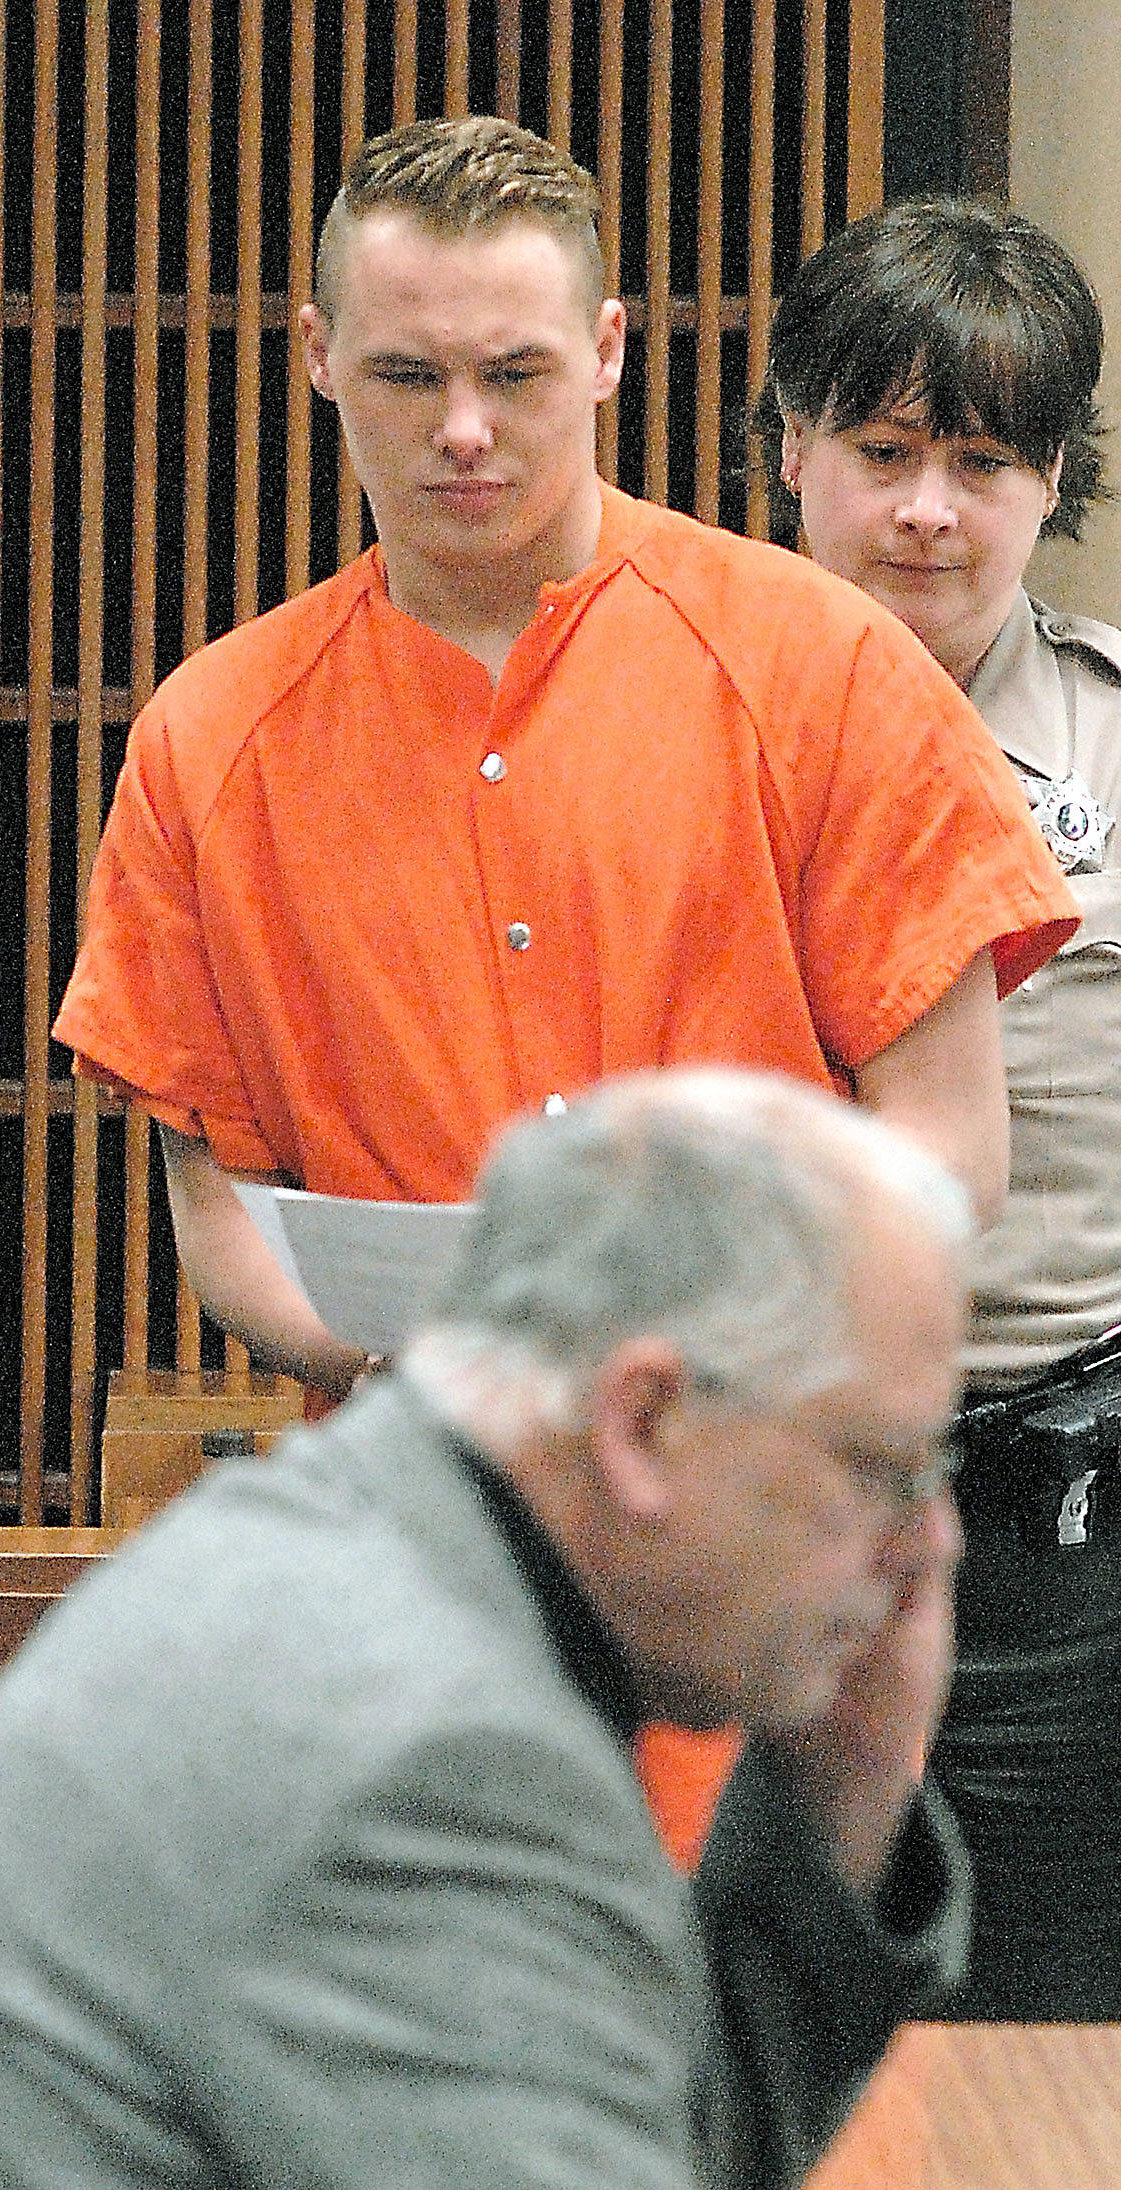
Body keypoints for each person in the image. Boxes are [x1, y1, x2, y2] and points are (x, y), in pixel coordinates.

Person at [52, 119, 1076, 1861]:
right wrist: (463, 1371)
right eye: (409, 374)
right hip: (414, 1546)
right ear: (318, 359)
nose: (463, 429)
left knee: (769, 2013)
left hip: (759, 1531)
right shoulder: (209, 738)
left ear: (607, 353)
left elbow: (953, 1151)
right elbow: (216, 1209)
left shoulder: (823, 667)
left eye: (516, 373)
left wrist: (700, 1343)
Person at [0, 1068, 972, 2188]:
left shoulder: (344, 1550)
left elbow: (644, 2137)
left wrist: (844, 1787)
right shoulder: (437, 1765)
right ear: (643, 1422)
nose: (929, 1541)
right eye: (883, 1467)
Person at [758, 195, 1121, 2018]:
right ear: (789, 449)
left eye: (984, 463)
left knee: (1049, 2053)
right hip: (741, 1502)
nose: (927, 510)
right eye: (884, 451)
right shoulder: (659, 718)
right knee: (745, 2039)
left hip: (1064, 1523)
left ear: (1054, 479)